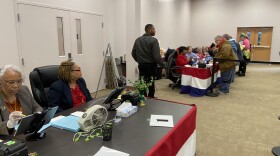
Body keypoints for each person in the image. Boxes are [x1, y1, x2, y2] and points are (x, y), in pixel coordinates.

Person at [0, 65, 42, 135]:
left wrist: (38, 115)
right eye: (11, 82)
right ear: (1, 81)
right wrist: (9, 124)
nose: (16, 86)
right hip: (9, 137)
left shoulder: (24, 90)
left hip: (27, 132)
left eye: (19, 81)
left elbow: (37, 107)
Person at [132, 24, 165, 98]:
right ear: (150, 30)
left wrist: (139, 61)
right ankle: (151, 98)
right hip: (151, 65)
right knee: (151, 82)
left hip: (141, 65)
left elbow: (133, 53)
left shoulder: (138, 40)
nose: (155, 31)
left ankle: (143, 97)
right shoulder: (154, 40)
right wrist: (163, 66)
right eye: (154, 29)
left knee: (142, 82)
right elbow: (156, 57)